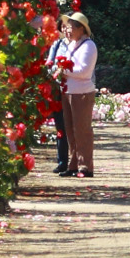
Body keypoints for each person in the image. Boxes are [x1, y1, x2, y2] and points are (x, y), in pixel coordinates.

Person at [53, 11, 98, 177]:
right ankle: (73, 164)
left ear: (81, 29)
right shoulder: (70, 45)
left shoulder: (89, 46)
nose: (68, 30)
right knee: (70, 130)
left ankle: (85, 166)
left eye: (71, 27)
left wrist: (63, 70)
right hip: (68, 91)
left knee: (82, 130)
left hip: (82, 94)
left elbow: (84, 72)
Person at [44, 30, 72, 173]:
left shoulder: (84, 45)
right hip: (58, 89)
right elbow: (49, 64)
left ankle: (76, 162)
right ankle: (62, 161)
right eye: (64, 26)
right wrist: (58, 68)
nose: (67, 30)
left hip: (75, 89)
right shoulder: (58, 44)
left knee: (74, 127)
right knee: (61, 126)